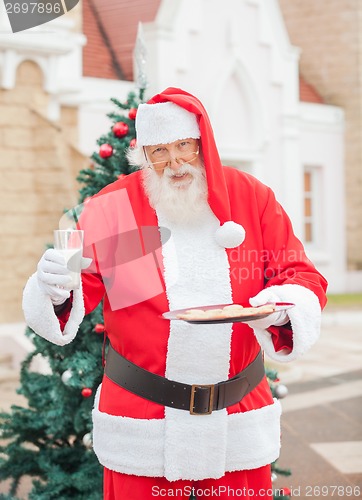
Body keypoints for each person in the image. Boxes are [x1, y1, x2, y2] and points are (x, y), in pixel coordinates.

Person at [23, 87, 327, 499]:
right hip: (142, 423)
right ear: (143, 155)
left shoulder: (250, 197)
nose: (175, 163)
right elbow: (80, 286)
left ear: (202, 143)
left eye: (184, 146)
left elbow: (299, 273)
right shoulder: (113, 208)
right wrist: (54, 288)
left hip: (237, 418)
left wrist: (281, 310)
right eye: (159, 151)